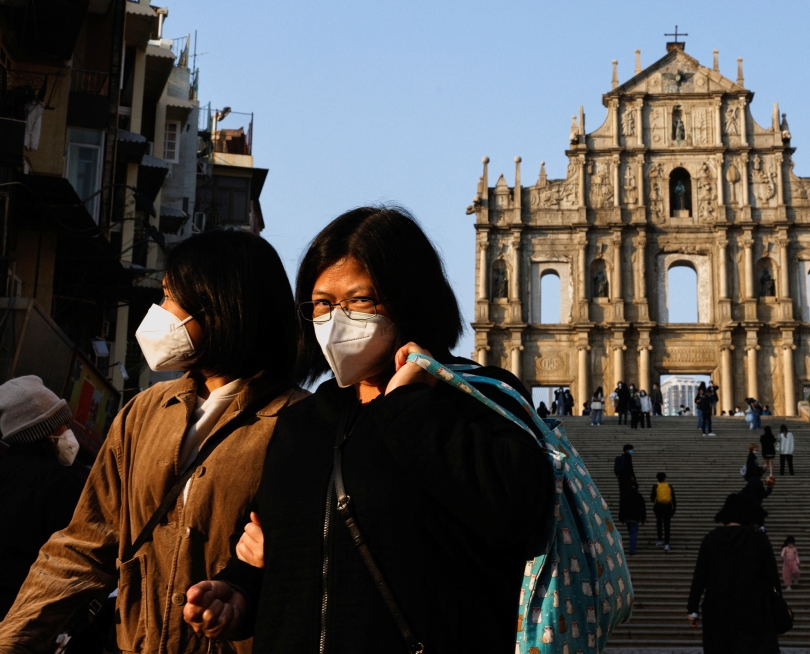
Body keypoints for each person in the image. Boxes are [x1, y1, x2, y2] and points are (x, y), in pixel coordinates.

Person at [182, 206, 552, 652]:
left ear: (410, 300)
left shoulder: (478, 400)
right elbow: (278, 548)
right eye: (322, 303)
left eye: (359, 300)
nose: (337, 319)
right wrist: (238, 593)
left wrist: (408, 405)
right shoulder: (303, 423)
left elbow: (517, 515)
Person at [0, 230, 305, 653]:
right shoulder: (143, 413)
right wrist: (12, 641)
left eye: (171, 299)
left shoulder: (300, 424)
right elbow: (82, 547)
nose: (160, 313)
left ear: (221, 308)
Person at [0, 377, 84, 623]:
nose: (68, 432)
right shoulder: (62, 482)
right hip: (24, 617)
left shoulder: (0, 472)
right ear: (44, 433)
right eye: (62, 425)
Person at [687, 493, 781, 653]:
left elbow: (700, 577)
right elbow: (772, 577)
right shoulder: (758, 538)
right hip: (753, 612)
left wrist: (693, 609)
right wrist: (778, 605)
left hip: (718, 611)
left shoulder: (711, 539)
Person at [619, 480, 647, 555]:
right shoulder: (639, 496)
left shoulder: (625, 495)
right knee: (633, 533)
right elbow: (642, 508)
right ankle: (632, 550)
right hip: (635, 518)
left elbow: (622, 507)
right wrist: (643, 519)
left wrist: (621, 518)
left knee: (631, 533)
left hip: (627, 517)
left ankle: (632, 547)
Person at [651, 472, 676, 551]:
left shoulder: (655, 486)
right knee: (667, 525)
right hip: (667, 508)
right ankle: (667, 543)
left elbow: (652, 498)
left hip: (658, 507)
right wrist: (673, 510)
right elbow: (673, 499)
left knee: (659, 523)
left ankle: (660, 540)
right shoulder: (669, 486)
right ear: (665, 478)